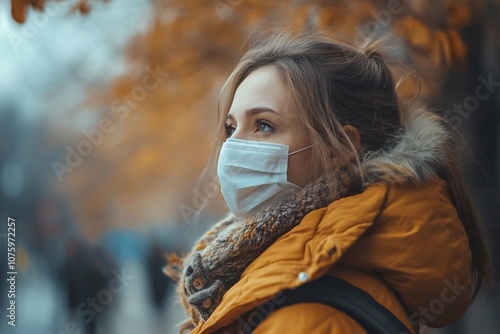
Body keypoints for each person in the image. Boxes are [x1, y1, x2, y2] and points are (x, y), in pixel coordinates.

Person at [164, 31, 492, 334]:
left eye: (264, 125)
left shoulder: (307, 319)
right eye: (231, 127)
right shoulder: (295, 277)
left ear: (341, 148)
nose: (233, 146)